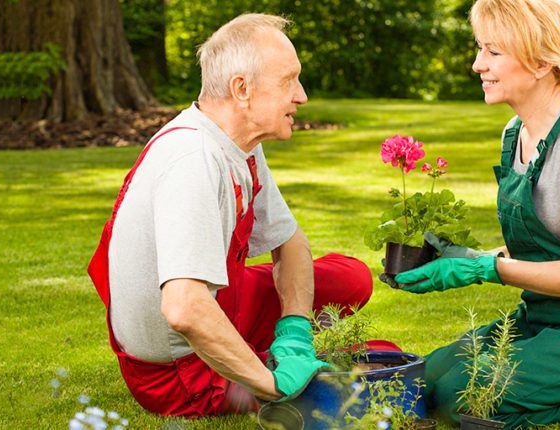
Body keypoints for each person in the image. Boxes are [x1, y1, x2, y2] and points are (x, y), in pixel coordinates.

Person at [389, 0, 560, 426]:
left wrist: (488, 269)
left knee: (460, 397)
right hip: (543, 318)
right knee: (423, 380)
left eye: (493, 51)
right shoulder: (516, 131)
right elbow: (548, 248)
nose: (478, 64)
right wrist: (460, 258)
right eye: (480, 48)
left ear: (541, 61)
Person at [87, 13, 373, 417]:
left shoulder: (237, 142)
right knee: (373, 369)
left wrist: (295, 333)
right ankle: (262, 363)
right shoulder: (192, 159)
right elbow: (184, 308)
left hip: (218, 305)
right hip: (177, 372)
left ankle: (275, 350)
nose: (302, 95)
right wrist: (270, 384)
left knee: (350, 277)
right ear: (242, 89)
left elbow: (290, 243)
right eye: (288, 80)